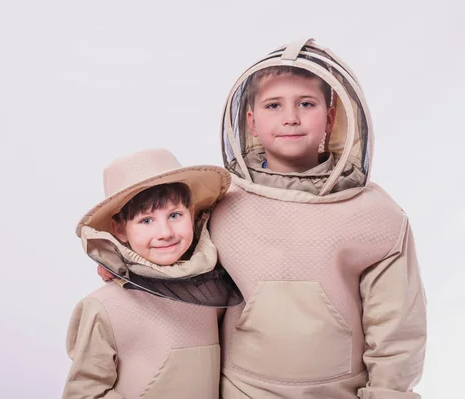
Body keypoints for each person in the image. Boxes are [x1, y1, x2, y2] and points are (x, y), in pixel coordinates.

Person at [209, 38, 427, 398]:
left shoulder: (376, 215)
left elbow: (397, 328)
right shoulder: (218, 201)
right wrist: (126, 269)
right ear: (251, 121)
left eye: (306, 104)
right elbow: (177, 265)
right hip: (240, 389)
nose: (290, 117)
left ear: (330, 116)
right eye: (273, 104)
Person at [63, 148, 241, 399]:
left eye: (175, 215)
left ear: (191, 215)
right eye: (146, 220)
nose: (165, 232)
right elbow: (83, 393)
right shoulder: (102, 307)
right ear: (119, 229)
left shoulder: (213, 294)